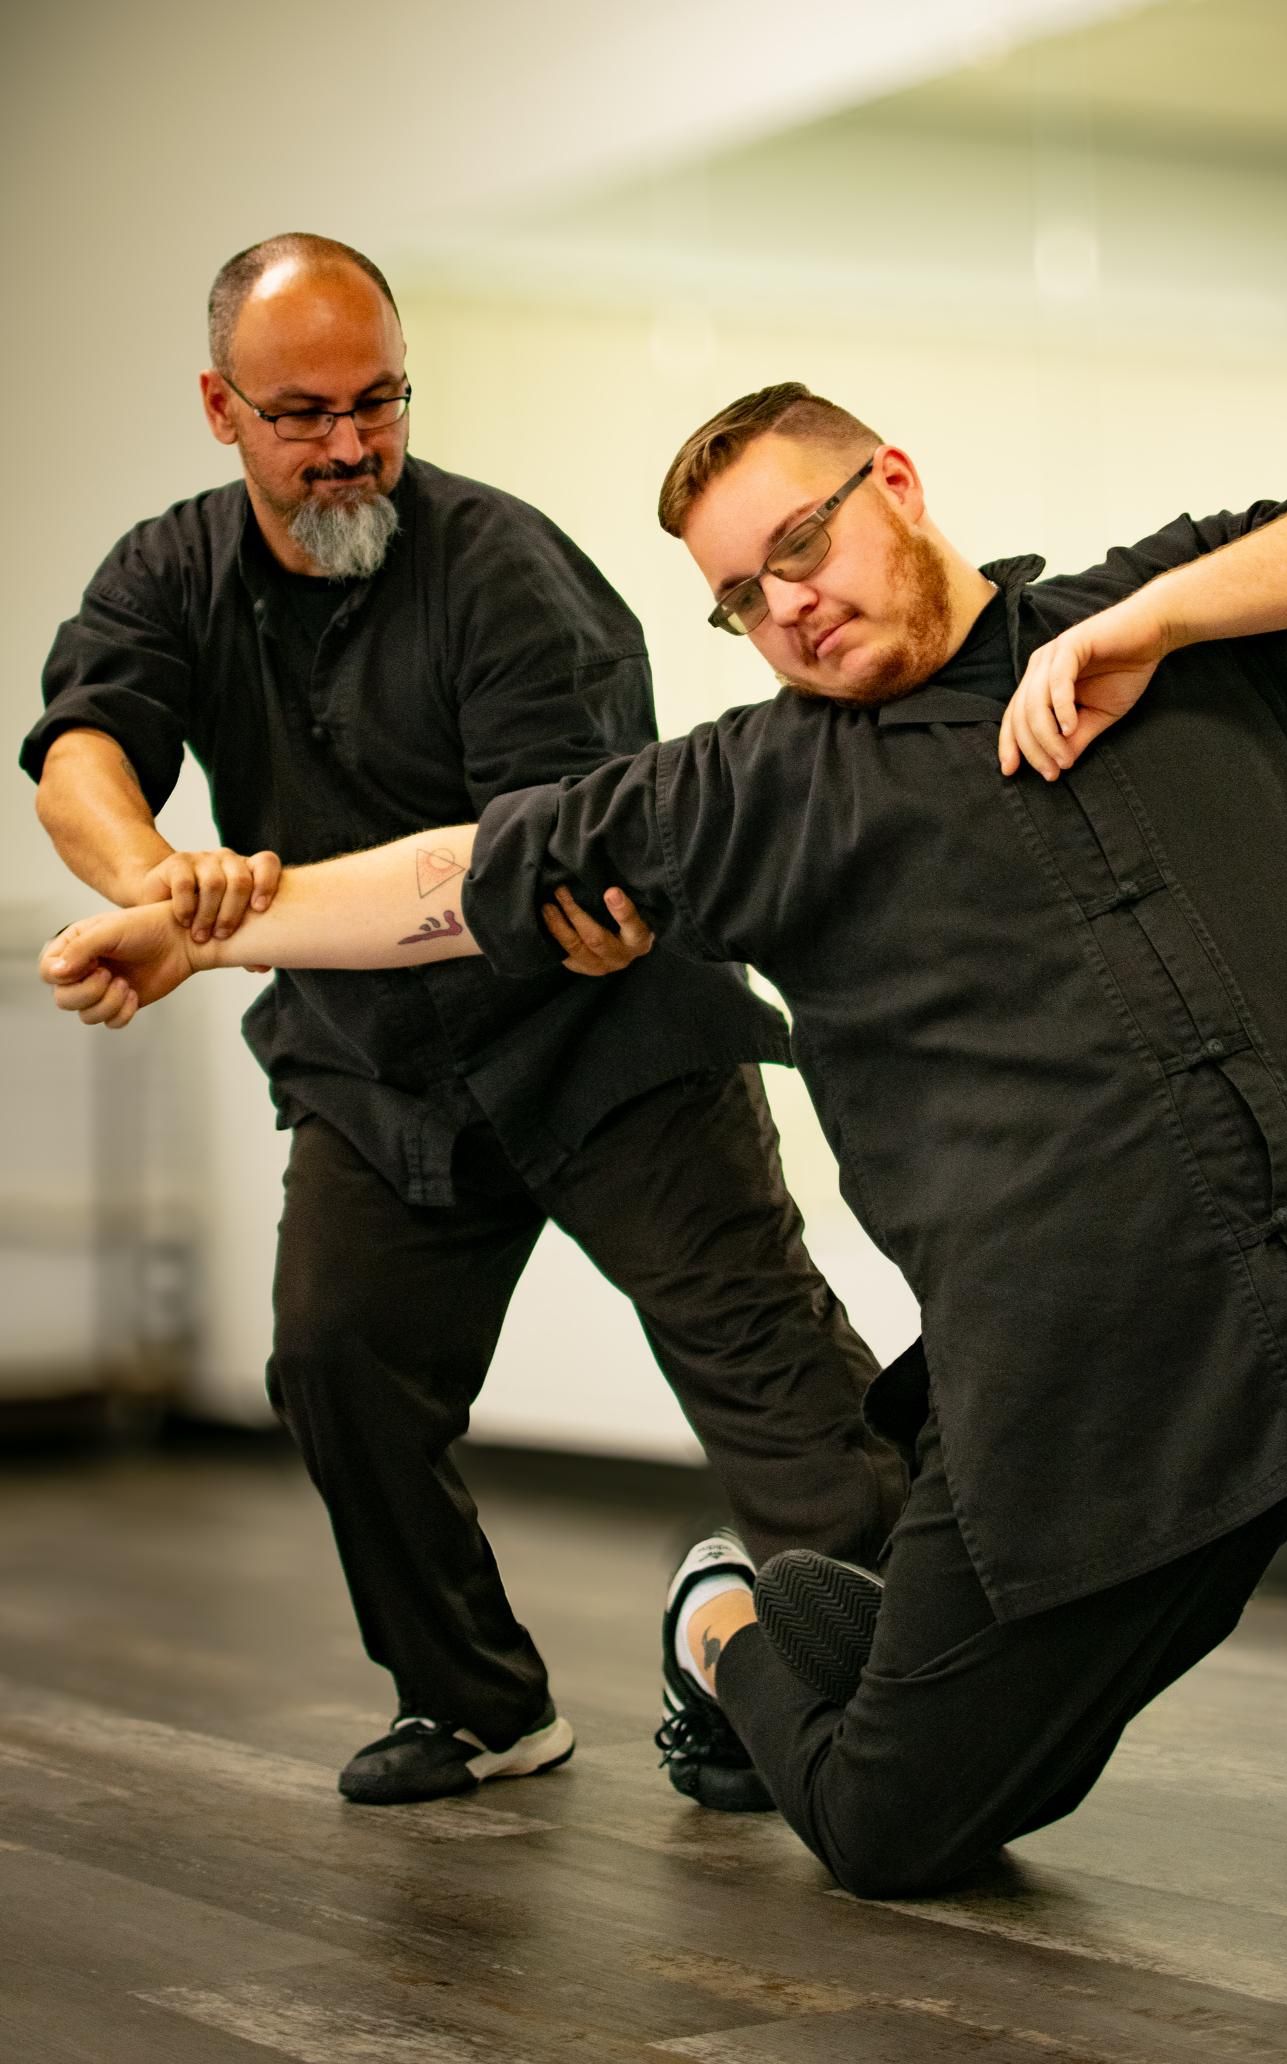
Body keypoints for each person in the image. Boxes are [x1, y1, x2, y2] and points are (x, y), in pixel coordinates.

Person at [41, 386, 1287, 1988]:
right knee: (889, 1829)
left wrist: (1157, 624)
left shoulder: (1170, 622)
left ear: (898, 488)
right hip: (1086, 1419)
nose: (781, 605)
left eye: (800, 546)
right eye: (735, 596)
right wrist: (197, 928)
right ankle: (731, 1624)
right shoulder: (757, 790)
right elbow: (453, 874)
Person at [22, 280, 906, 1814]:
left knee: (778, 1391)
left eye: (380, 402)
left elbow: (521, 871)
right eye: (303, 415)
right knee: (337, 1363)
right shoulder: (169, 572)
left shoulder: (504, 569)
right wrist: (161, 890)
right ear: (224, 409)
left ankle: (912, 1703)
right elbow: (84, 747)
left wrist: (224, 924)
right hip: (375, 1076)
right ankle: (478, 1705)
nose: (350, 443)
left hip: (604, 1042)